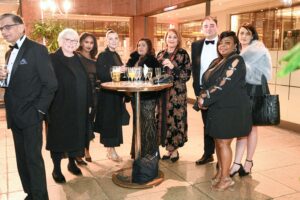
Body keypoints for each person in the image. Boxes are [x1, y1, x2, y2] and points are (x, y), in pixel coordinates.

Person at [0, 13, 57, 199]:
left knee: (33, 160)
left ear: (21, 27)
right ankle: (30, 193)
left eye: (7, 27)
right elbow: (14, 82)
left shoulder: (37, 50)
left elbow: (50, 84)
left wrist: (39, 111)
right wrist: (2, 80)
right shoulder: (9, 53)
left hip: (31, 115)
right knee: (22, 160)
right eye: (1, 29)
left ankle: (40, 196)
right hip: (14, 116)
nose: (3, 31)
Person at [198, 31, 252, 191]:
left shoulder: (237, 60)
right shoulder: (217, 61)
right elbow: (207, 83)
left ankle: (226, 178)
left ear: (236, 46)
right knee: (218, 142)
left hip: (231, 108)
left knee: (224, 143)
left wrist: (205, 98)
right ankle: (221, 171)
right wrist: (203, 98)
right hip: (218, 107)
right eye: (220, 43)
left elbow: (224, 83)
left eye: (227, 42)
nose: (222, 45)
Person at [47, 28, 92, 183]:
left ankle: (71, 163)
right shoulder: (52, 58)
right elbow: (46, 83)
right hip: (59, 107)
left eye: (74, 41)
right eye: (68, 40)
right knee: (58, 138)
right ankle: (56, 169)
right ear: (60, 41)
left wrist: (89, 103)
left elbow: (86, 81)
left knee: (76, 136)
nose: (71, 43)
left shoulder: (78, 58)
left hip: (79, 107)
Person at [230, 23, 272, 177]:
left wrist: (241, 70)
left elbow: (265, 75)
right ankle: (236, 163)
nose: (244, 36)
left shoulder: (259, 50)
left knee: (252, 127)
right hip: (240, 91)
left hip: (255, 90)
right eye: (241, 33)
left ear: (253, 35)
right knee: (241, 127)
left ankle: (248, 162)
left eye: (248, 33)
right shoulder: (238, 51)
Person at [157, 28, 191, 162]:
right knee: (164, 120)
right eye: (169, 37)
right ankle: (168, 149)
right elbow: (155, 74)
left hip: (177, 94)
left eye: (174, 37)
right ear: (165, 39)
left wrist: (173, 67)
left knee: (175, 121)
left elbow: (186, 75)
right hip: (162, 94)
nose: (171, 39)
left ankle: (175, 150)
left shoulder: (183, 54)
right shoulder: (160, 54)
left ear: (178, 40)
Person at [94, 29, 127, 162]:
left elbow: (119, 76)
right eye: (111, 38)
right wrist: (120, 70)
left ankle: (111, 150)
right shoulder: (103, 55)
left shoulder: (116, 55)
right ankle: (111, 150)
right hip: (108, 96)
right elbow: (102, 75)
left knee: (115, 123)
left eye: (116, 38)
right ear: (106, 41)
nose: (114, 41)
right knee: (109, 123)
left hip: (116, 95)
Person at [126, 38, 160, 158]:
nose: (140, 47)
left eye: (143, 45)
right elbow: (127, 77)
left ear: (149, 48)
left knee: (148, 124)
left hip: (148, 97)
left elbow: (157, 78)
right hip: (135, 96)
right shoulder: (132, 59)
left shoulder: (153, 61)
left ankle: (150, 153)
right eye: (139, 45)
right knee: (137, 123)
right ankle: (137, 151)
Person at [192, 16, 219, 165]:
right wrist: (197, 89)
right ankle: (208, 153)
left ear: (217, 27)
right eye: (206, 26)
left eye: (212, 25)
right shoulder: (196, 45)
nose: (209, 28)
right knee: (207, 123)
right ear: (202, 28)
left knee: (220, 123)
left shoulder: (224, 43)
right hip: (203, 89)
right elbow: (195, 69)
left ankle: (222, 155)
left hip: (220, 89)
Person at [75, 32, 98, 165]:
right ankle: (78, 153)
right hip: (81, 95)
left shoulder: (95, 59)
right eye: (86, 42)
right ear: (81, 42)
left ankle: (86, 149)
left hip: (94, 95)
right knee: (80, 124)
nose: (89, 45)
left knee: (89, 123)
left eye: (91, 42)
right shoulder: (76, 56)